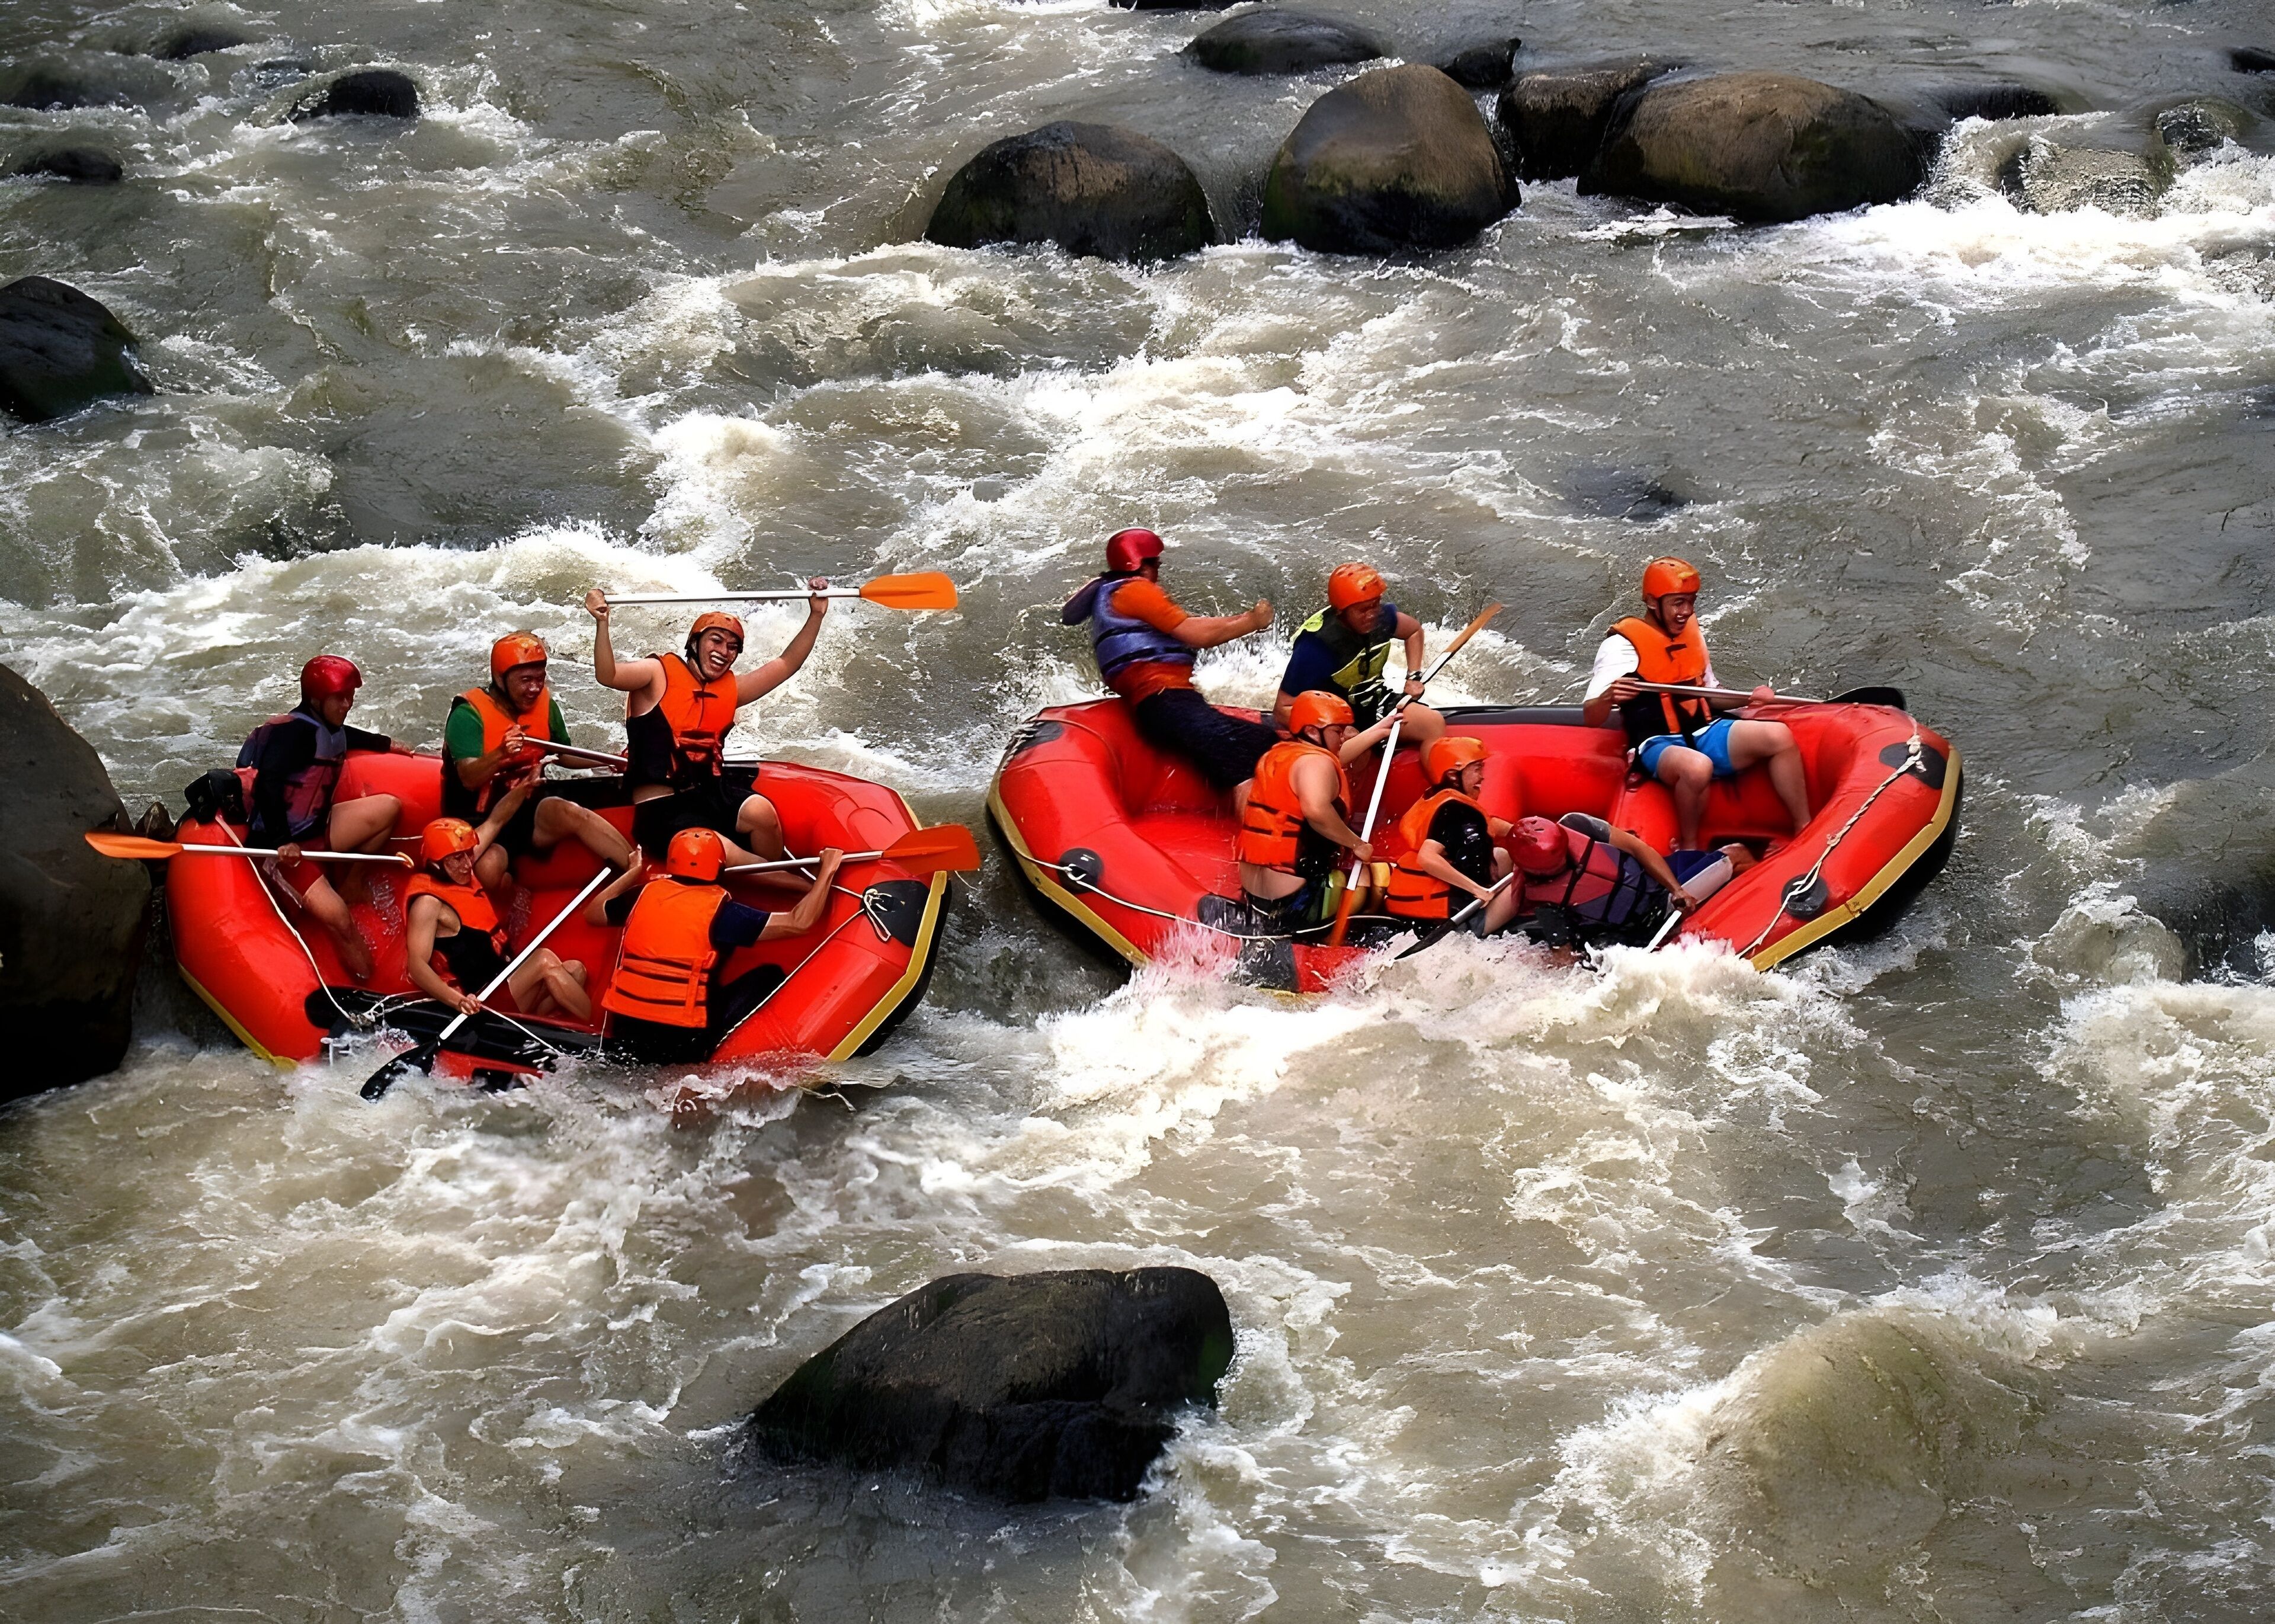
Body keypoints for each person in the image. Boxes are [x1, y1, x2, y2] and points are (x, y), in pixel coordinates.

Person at [584, 584, 830, 866]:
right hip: (660, 809)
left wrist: (816, 615)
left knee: (762, 813)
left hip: (709, 795)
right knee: (710, 848)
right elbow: (608, 674)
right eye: (716, 641)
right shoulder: (657, 673)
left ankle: (763, 883)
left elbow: (787, 664)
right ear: (695, 642)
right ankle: (793, 885)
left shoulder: (731, 690)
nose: (724, 652)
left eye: (733, 647)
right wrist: (602, 623)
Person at [1581, 556, 1810, 850]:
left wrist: (1751, 699)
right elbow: (1591, 716)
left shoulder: (1692, 635)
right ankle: (1691, 847)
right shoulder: (1621, 646)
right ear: (1652, 602)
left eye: (1691, 601)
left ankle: (1803, 829)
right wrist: (1610, 697)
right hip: (1658, 743)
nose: (1686, 612)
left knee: (1778, 736)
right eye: (1678, 603)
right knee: (1697, 767)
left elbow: (1710, 694)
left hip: (1704, 730)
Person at [594, 827, 844, 1065]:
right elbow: (799, 923)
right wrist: (827, 871)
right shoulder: (724, 914)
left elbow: (593, 913)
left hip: (626, 1030)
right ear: (720, 867)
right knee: (769, 975)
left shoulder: (640, 895)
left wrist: (632, 873)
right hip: (681, 1042)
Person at [1062, 526, 1279, 790]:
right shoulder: (1136, 591)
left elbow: (1193, 626)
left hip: (1158, 704)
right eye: (1156, 564)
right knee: (1251, 751)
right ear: (1142, 564)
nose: (1158, 572)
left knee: (1262, 738)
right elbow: (1196, 634)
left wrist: (1244, 619)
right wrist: (1252, 622)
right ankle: (1259, 824)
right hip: (1167, 700)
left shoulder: (1109, 592)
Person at [239, 654, 412, 982]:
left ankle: (351, 884)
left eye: (350, 697)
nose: (347, 704)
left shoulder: (327, 726)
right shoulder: (293, 734)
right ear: (316, 699)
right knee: (340, 919)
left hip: (319, 828)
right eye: (339, 698)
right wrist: (281, 841)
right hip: (283, 849)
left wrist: (387, 744)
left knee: (389, 808)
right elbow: (268, 786)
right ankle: (368, 984)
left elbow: (348, 734)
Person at [441, 630, 635, 898]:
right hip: (478, 820)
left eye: (539, 679)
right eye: (525, 680)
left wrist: (612, 762)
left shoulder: (545, 705)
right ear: (502, 679)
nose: (534, 688)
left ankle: (636, 874)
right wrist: (500, 753)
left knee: (570, 812)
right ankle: (514, 896)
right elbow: (469, 779)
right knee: (488, 868)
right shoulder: (468, 715)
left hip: (526, 809)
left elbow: (564, 755)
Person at [403, 792, 594, 1023]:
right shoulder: (428, 903)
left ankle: (537, 1028)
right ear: (436, 864)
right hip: (483, 999)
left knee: (576, 970)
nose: (467, 865)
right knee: (544, 960)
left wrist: (523, 788)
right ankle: (598, 1036)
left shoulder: (461, 871)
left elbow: (496, 820)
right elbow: (417, 965)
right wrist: (457, 1001)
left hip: (505, 978)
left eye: (468, 855)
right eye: (457, 859)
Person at [1235, 691, 1382, 930]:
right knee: (1372, 877)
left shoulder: (1277, 754)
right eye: (1338, 731)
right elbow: (1317, 812)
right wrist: (1358, 845)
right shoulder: (1317, 763)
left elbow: (1334, 756)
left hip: (1255, 891)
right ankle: (1333, 938)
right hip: (1293, 897)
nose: (1345, 737)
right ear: (1313, 731)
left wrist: (1383, 727)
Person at [1507, 812, 1753, 953]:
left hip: (1662, 895)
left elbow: (1636, 847)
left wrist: (1676, 890)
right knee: (1737, 853)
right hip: (1635, 934)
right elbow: (1563, 954)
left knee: (1737, 853)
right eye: (1555, 864)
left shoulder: (1576, 825)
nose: (1564, 863)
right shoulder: (1543, 900)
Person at [1275, 562, 1445, 748]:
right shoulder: (1316, 646)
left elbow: (1413, 631)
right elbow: (1282, 710)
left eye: (1375, 604)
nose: (1372, 615)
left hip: (1374, 705)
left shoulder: (1381, 617)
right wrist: (1335, 727)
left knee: (1433, 724)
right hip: (1335, 721)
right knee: (1356, 747)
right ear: (1342, 611)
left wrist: (1413, 676)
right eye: (1363, 610)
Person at [1385, 736, 1520, 936]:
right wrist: (1477, 890)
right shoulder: (1457, 812)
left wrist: (1518, 830)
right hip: (1449, 920)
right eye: (1477, 769)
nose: (1482, 777)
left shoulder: (1437, 798)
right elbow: (1427, 857)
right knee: (1523, 881)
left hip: (1411, 907)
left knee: (1501, 855)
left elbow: (1486, 825)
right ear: (1454, 775)